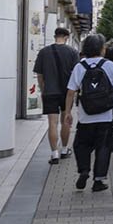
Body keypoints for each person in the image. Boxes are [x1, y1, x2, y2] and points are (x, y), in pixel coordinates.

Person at [64, 34, 113, 192]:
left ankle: (84, 170)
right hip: (106, 115)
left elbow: (70, 92)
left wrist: (67, 112)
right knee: (104, 147)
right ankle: (99, 180)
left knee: (81, 145)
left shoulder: (80, 66)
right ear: (101, 49)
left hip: (86, 116)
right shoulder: (110, 66)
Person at [33, 27, 79, 164]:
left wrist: (43, 90)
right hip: (66, 93)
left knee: (52, 123)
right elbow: (76, 74)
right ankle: (64, 150)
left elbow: (40, 75)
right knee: (66, 120)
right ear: (66, 37)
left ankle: (54, 154)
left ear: (55, 36)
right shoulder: (72, 52)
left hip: (50, 92)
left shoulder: (43, 52)